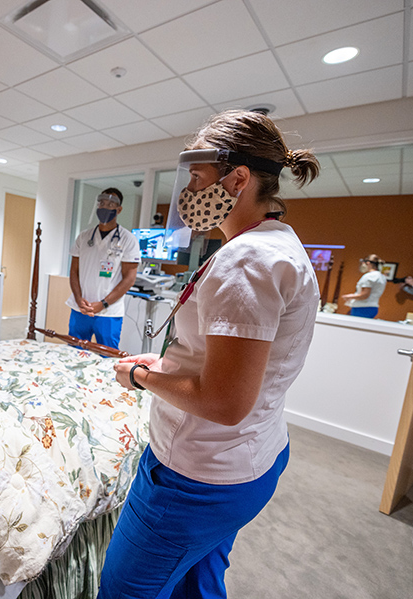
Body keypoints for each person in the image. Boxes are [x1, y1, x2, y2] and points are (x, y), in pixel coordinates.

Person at [98, 110, 321, 599]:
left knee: (123, 591)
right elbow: (228, 370)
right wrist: (169, 368)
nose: (188, 193)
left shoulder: (246, 261)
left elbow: (224, 401)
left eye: (196, 178)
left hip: (195, 480)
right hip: (251, 460)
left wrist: (141, 377)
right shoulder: (275, 246)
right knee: (197, 584)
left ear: (237, 178)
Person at [66, 187, 141, 349]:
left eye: (111, 204)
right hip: (81, 309)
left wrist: (103, 304)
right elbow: (73, 271)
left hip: (108, 313)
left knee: (107, 358)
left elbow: (129, 278)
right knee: (73, 354)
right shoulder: (84, 237)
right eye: (101, 203)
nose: (105, 207)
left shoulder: (128, 240)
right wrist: (79, 299)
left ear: (119, 209)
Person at [340, 254, 387, 319]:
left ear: (367, 263)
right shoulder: (382, 277)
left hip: (362, 307)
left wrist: (350, 296)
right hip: (373, 307)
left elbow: (365, 295)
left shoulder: (369, 276)